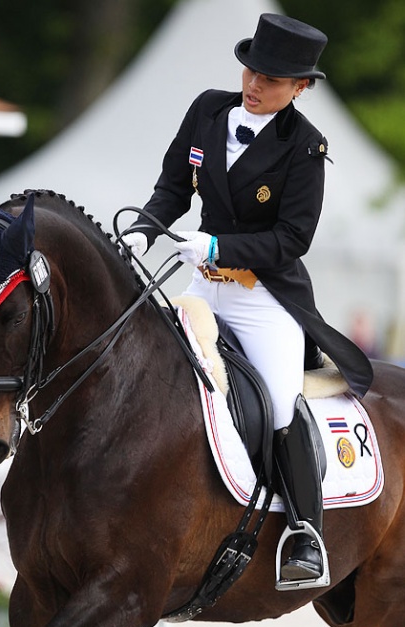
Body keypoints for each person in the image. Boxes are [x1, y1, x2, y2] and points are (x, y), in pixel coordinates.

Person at [122, 13, 373, 584]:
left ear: (301, 87)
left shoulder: (306, 146)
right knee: (145, 368)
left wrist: (217, 242)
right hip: (203, 286)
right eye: (252, 71)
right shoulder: (208, 109)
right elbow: (170, 187)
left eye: (272, 80)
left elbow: (292, 239)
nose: (254, 85)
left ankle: (305, 532)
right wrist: (144, 226)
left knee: (281, 406)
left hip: (264, 297)